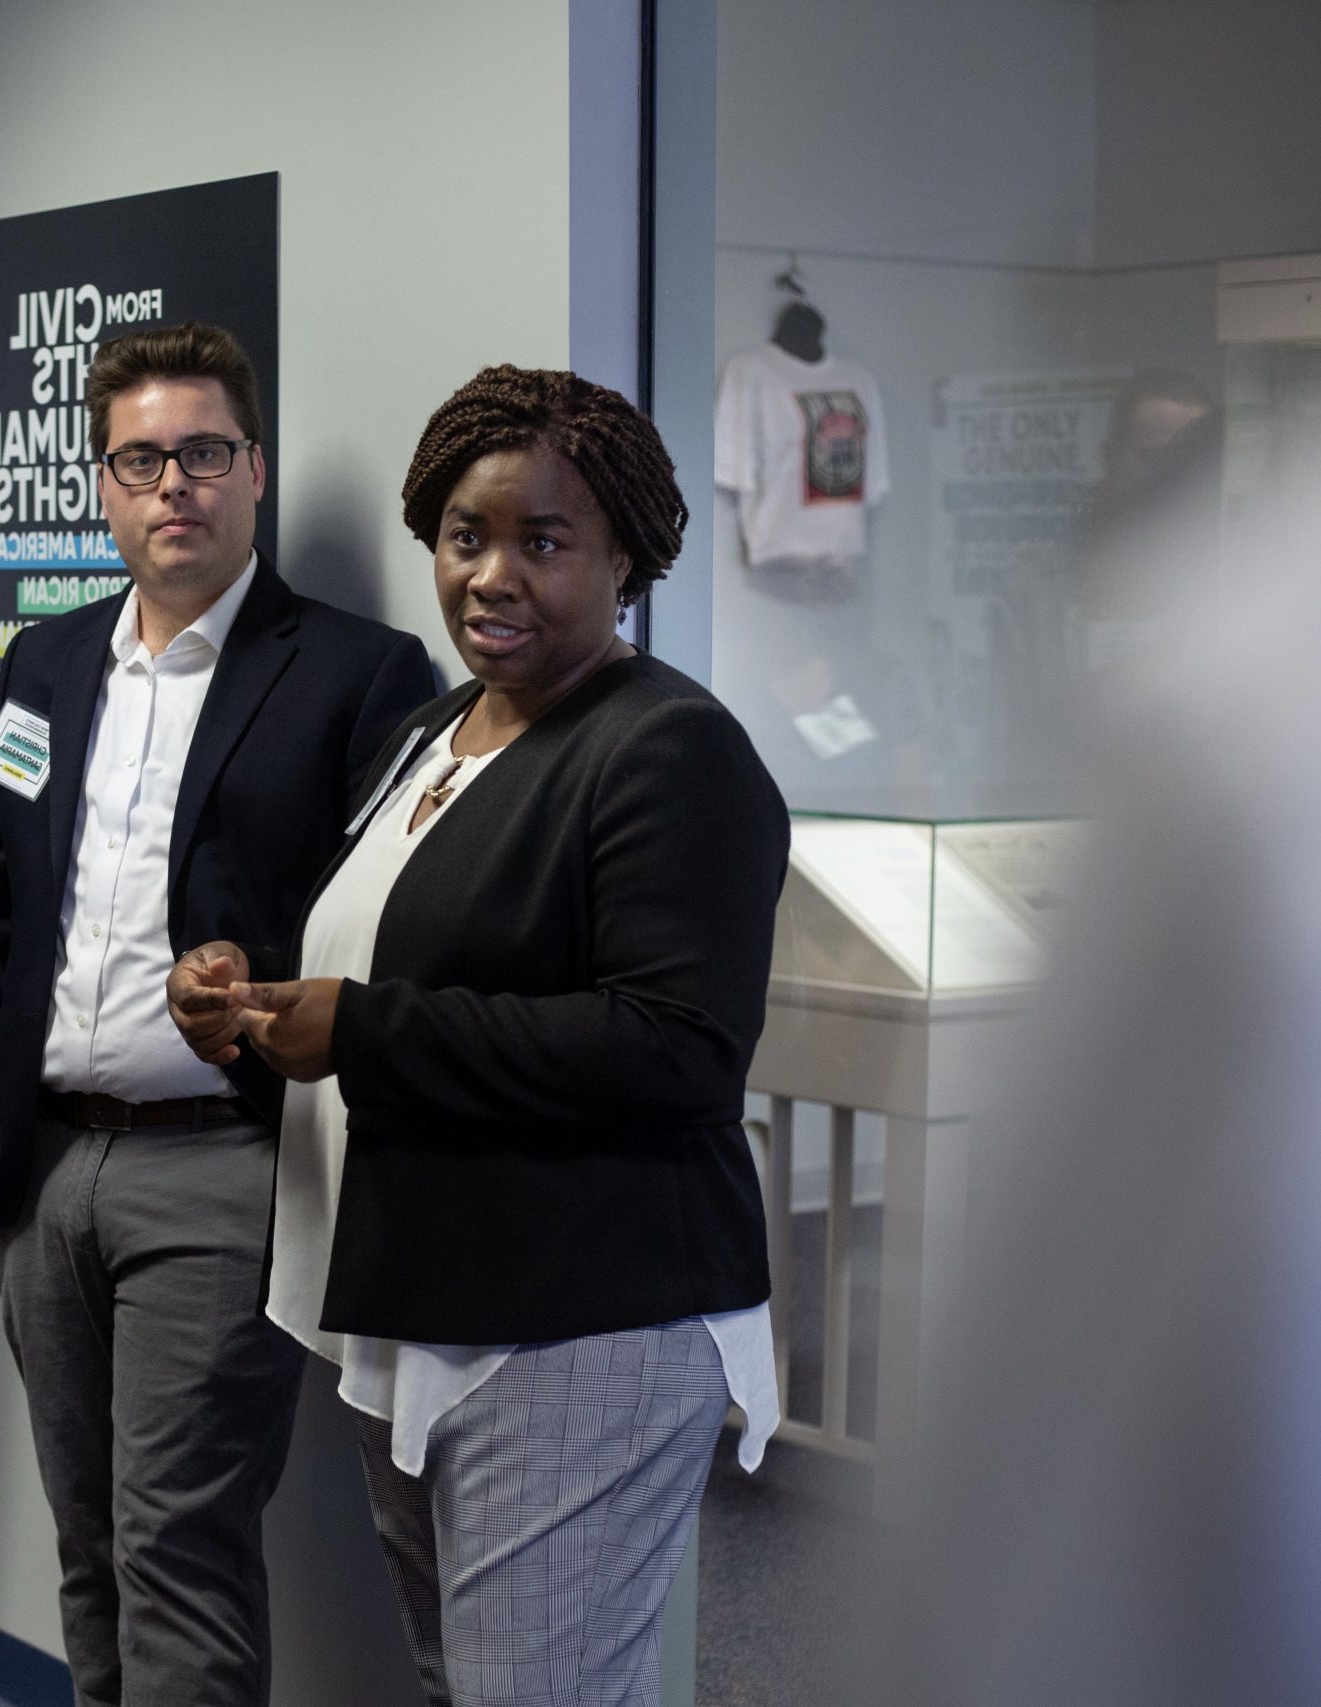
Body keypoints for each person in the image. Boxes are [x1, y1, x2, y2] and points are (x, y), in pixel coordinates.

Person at [169, 365, 786, 1707]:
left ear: (627, 555)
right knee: (469, 1678)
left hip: (580, 1321)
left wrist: (367, 1031)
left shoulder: (669, 748)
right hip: (428, 1292)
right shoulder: (439, 729)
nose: (491, 576)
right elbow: (404, 955)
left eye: (542, 541)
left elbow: (676, 1045)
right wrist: (259, 995)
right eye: (464, 536)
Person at [0, 322, 433, 1707]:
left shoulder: (355, 672)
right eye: (142, 458)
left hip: (222, 1163)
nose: (175, 487)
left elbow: (394, 921)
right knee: (88, 1539)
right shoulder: (46, 661)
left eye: (205, 453)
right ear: (102, 481)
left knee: (179, 1540)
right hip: (42, 1161)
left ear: (255, 470)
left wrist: (258, 985)